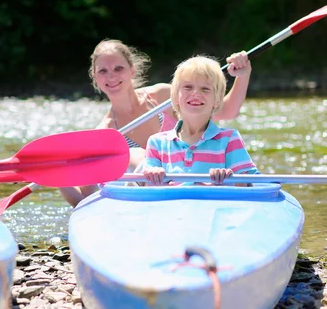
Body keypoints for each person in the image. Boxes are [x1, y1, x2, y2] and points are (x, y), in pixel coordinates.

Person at [60, 39, 253, 207]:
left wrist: (242, 76)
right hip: (155, 194)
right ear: (95, 77)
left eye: (118, 68)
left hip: (204, 183)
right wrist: (60, 175)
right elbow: (88, 196)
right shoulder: (104, 132)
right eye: (103, 71)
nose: (111, 76)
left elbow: (224, 110)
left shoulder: (162, 96)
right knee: (132, 157)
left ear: (132, 70)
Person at [142, 55, 259, 186]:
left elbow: (254, 184)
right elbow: (146, 188)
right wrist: (154, 176)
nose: (196, 93)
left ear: (217, 100)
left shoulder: (230, 139)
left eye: (205, 89)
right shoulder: (157, 143)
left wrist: (227, 181)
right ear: (175, 97)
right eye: (188, 87)